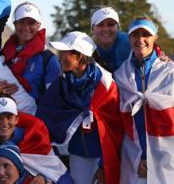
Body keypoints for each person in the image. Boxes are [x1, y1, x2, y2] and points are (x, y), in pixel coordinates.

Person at [36, 31, 123, 184]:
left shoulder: (106, 85)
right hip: (77, 152)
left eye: (65, 53)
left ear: (80, 56)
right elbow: (45, 114)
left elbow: (113, 128)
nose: (60, 57)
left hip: (101, 154)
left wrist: (104, 164)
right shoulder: (62, 83)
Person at [114, 17, 174, 183]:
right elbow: (122, 121)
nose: (140, 39)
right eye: (135, 35)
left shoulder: (170, 70)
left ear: (154, 38)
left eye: (146, 34)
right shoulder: (121, 75)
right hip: (133, 155)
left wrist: (154, 158)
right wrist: (141, 157)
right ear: (129, 38)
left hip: (165, 155)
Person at [0, 96, 72, 184]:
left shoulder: (35, 138)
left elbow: (51, 171)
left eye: (9, 117)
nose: (4, 123)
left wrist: (43, 177)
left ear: (16, 119)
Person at [0, 2, 61, 103]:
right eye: (22, 22)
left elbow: (55, 98)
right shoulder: (2, 55)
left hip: (35, 117)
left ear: (38, 25)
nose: (26, 27)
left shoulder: (48, 59)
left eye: (31, 23)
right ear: (14, 24)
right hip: (4, 116)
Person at [90, 7, 131, 72]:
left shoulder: (129, 42)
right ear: (92, 28)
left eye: (111, 24)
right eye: (100, 24)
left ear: (117, 27)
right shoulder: (87, 47)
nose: (106, 29)